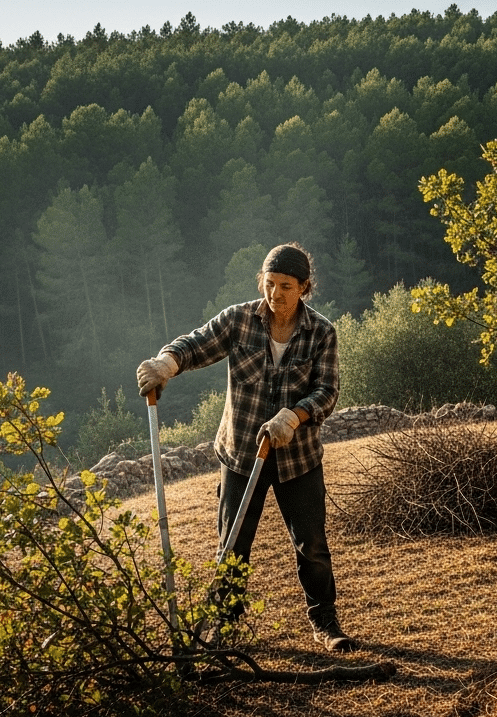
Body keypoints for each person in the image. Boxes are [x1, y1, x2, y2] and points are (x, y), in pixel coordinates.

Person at [136, 243, 357, 652]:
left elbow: (328, 391)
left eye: (286, 286)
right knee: (232, 545)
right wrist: (167, 363)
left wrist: (295, 416)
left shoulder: (322, 333)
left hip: (298, 459)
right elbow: (196, 344)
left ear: (304, 287)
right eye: (269, 284)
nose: (276, 294)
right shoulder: (239, 320)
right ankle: (227, 626)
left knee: (312, 546)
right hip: (240, 456)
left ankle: (325, 624)